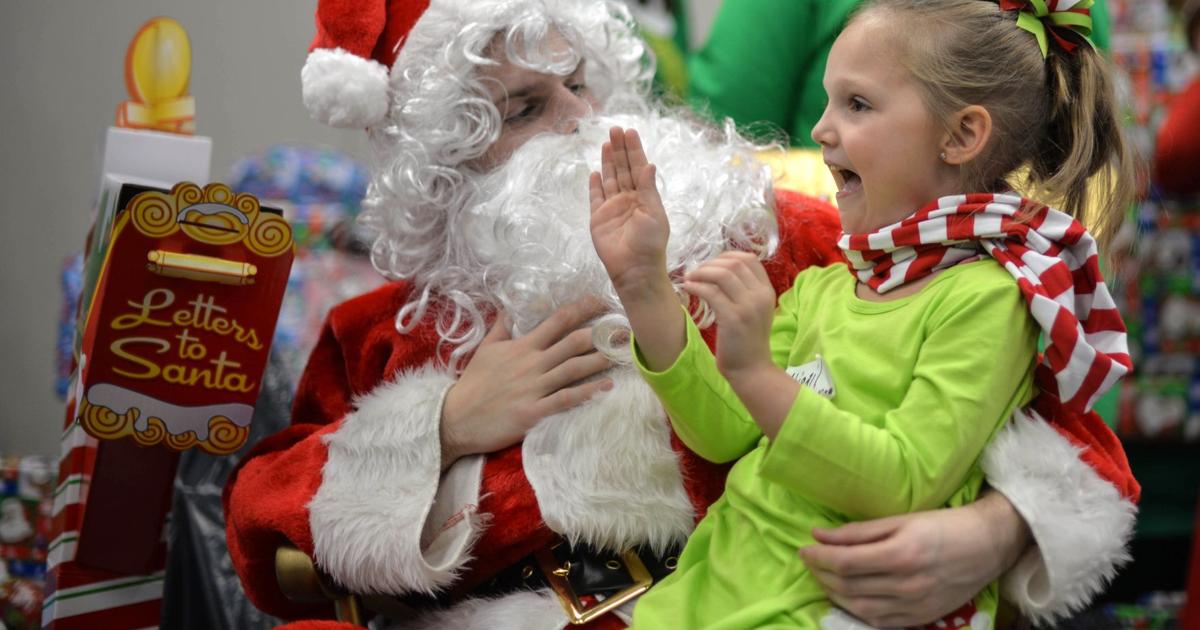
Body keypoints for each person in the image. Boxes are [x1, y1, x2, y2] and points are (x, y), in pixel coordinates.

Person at [223, 0, 1138, 628]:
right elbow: (265, 527)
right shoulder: (390, 330)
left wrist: (993, 531)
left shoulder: (774, 237)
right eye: (526, 107)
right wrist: (446, 424)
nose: (581, 120)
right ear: (442, 164)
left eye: (581, 82)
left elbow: (1055, 420)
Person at [589, 0, 1136, 627]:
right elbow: (722, 436)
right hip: (708, 599)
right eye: (828, 101)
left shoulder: (987, 298)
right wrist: (645, 288)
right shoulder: (825, 287)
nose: (821, 129)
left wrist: (757, 374)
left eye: (856, 104)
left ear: (961, 136)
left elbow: (902, 481)